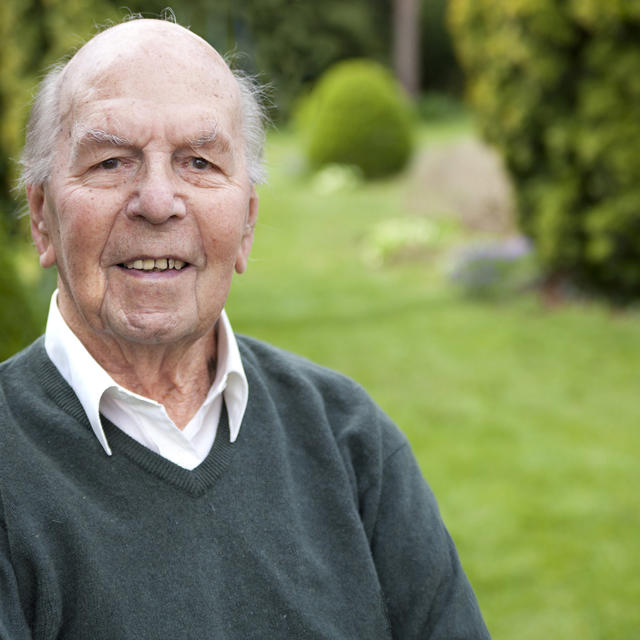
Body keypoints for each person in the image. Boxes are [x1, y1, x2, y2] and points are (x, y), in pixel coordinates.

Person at [0, 17, 491, 639]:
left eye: (198, 162)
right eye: (112, 162)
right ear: (42, 216)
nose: (157, 200)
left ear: (248, 224)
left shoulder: (349, 438)